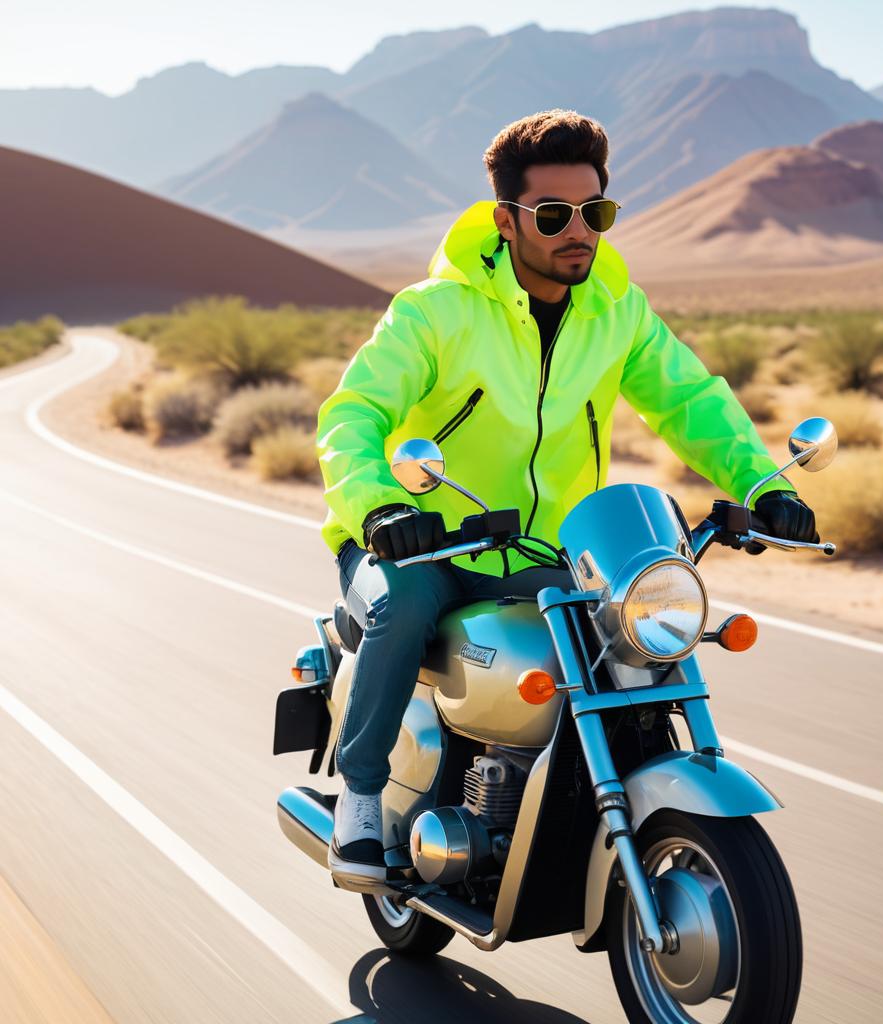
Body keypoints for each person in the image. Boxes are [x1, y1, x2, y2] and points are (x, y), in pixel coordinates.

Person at [316, 109, 817, 883]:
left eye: (596, 213)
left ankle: (576, 812)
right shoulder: (434, 312)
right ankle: (360, 792)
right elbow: (353, 416)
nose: (578, 231)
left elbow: (691, 402)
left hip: (545, 547)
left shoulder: (617, 313)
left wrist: (758, 482)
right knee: (405, 606)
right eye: (553, 215)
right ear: (507, 221)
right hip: (421, 538)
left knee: (626, 638)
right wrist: (382, 507)